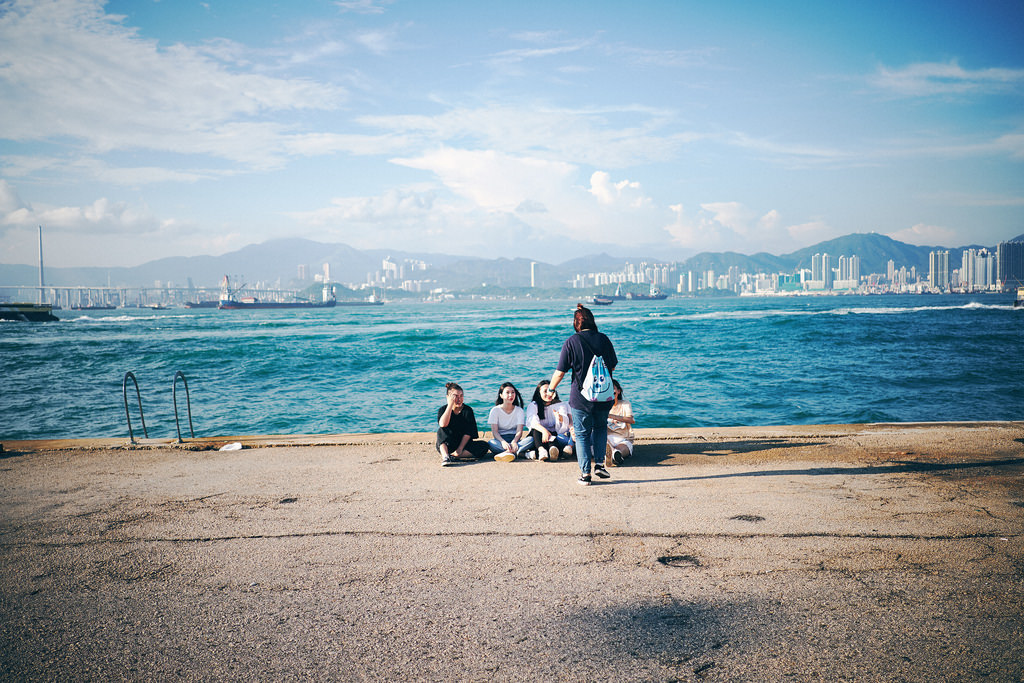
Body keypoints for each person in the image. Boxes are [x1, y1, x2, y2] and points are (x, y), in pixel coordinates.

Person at [549, 303, 618, 485]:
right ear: (592, 321)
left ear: (576, 323)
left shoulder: (572, 341)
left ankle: (585, 474)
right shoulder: (604, 339)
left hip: (581, 398)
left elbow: (560, 372)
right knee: (601, 428)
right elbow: (612, 366)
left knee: (581, 435)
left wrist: (550, 389)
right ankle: (600, 465)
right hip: (604, 396)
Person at [436, 382, 488, 466]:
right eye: (455, 396)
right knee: (441, 430)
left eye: (461, 396)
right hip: (448, 444)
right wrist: (450, 405)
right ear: (448, 397)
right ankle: (446, 457)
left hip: (464, 445)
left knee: (484, 445)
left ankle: (454, 456)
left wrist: (460, 449)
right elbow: (443, 424)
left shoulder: (467, 410)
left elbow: (469, 432)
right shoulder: (443, 410)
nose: (459, 399)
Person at [524, 380, 573, 461]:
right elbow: (533, 422)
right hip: (538, 435)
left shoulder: (560, 404)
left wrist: (560, 417)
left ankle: (551, 451)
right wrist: (544, 431)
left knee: (553, 438)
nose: (549, 394)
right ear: (539, 393)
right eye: (545, 391)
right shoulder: (534, 405)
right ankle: (541, 450)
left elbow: (563, 426)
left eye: (551, 391)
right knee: (536, 430)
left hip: (553, 435)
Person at [486, 382, 534, 462]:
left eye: (513, 392)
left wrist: (514, 442)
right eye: (507, 393)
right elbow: (495, 432)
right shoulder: (495, 410)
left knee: (531, 439)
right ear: (501, 395)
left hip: (515, 439)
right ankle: (520, 454)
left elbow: (519, 431)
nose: (511, 395)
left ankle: (507, 453)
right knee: (491, 443)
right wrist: (503, 442)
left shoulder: (519, 410)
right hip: (500, 440)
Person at [606, 379, 635, 467]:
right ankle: (611, 454)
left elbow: (631, 420)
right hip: (607, 438)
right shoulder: (602, 406)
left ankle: (615, 455)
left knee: (621, 449)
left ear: (619, 391)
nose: (612, 393)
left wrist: (611, 416)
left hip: (623, 438)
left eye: (614, 390)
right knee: (604, 444)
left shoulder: (624, 404)